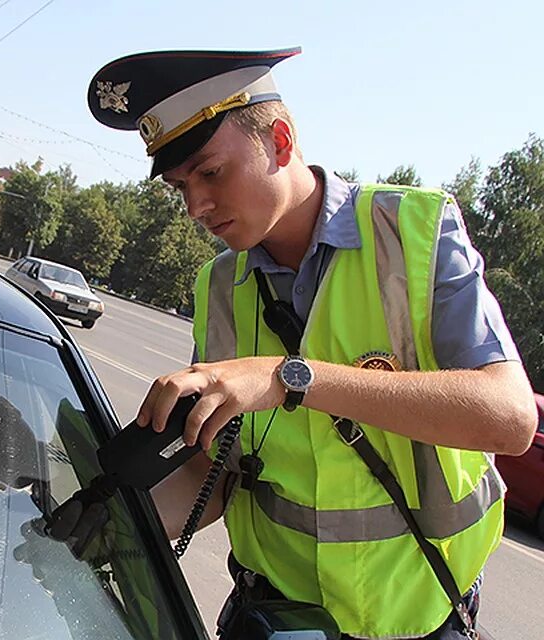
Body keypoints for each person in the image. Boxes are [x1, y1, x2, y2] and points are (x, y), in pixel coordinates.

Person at [87, 47, 538, 639]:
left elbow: (510, 419)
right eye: (179, 187)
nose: (195, 206)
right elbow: (213, 468)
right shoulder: (219, 285)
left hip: (420, 622)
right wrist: (115, 532)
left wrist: (290, 378)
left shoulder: (415, 234)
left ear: (278, 140)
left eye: (210, 172)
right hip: (275, 619)